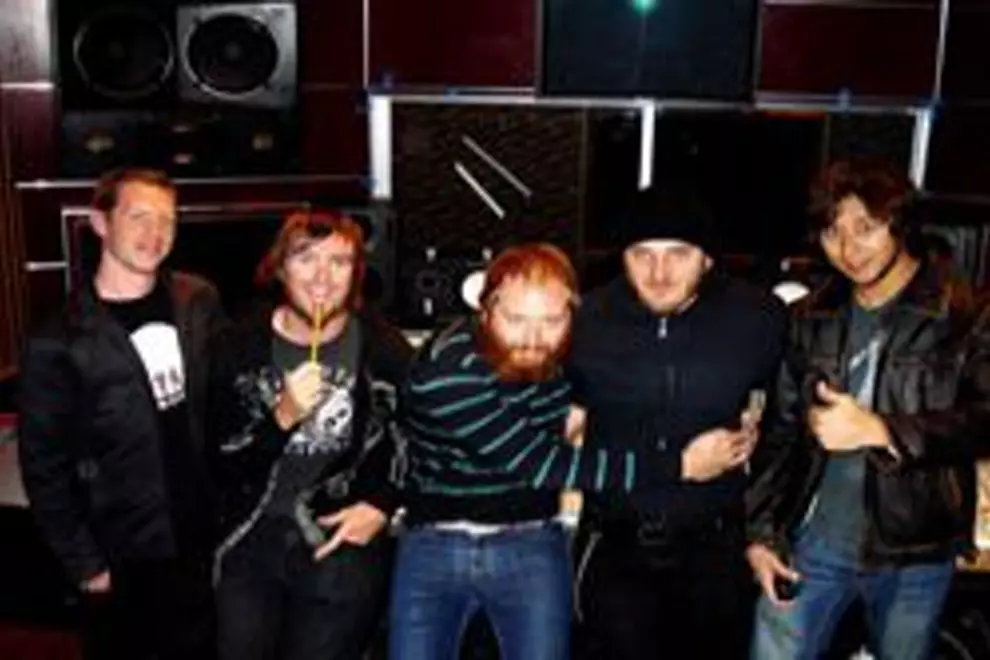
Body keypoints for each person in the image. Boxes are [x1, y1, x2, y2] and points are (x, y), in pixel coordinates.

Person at [390, 242, 733, 660]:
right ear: (486, 311)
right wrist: (680, 464)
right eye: (516, 319)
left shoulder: (568, 352)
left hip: (531, 535)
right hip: (435, 544)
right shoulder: (445, 372)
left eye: (551, 320)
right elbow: (542, 464)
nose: (534, 339)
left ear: (572, 314)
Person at [746, 159, 990, 659]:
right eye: (832, 232)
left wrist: (884, 430)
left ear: (900, 225)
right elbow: (781, 432)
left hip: (917, 549)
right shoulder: (810, 317)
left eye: (866, 228)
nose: (848, 248)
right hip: (814, 543)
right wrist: (761, 533)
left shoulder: (962, 314)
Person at [566, 185, 787, 659]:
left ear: (707, 259)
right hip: (615, 547)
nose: (659, 273)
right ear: (622, 257)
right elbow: (557, 425)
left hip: (717, 550)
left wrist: (764, 534)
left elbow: (785, 433)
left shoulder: (760, 319)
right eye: (642, 254)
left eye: (678, 254)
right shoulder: (585, 321)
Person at [18, 168, 222, 659]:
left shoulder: (197, 299)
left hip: (200, 536)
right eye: (138, 217)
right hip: (122, 552)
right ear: (100, 222)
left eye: (167, 220)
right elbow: (44, 466)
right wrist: (85, 563)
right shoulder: (58, 340)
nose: (155, 233)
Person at [209, 209, 413, 660]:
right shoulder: (235, 347)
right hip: (250, 533)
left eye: (339, 262)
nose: (323, 277)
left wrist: (382, 505)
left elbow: (417, 441)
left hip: (338, 534)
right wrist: (280, 419)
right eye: (306, 258)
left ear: (356, 274)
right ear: (280, 268)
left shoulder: (384, 349)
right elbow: (218, 464)